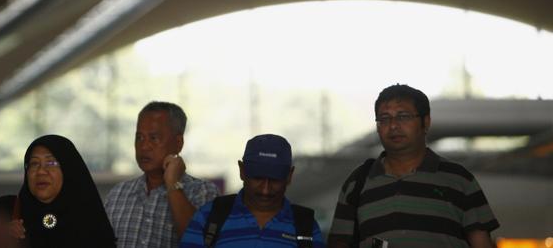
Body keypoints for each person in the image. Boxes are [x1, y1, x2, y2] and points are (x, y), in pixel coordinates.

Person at [327, 84, 500, 248]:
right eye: (384, 119)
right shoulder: (357, 183)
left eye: (403, 117)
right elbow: (339, 243)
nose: (393, 125)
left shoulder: (459, 180)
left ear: (426, 122)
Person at [105, 101, 218, 248]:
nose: (144, 146)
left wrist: (173, 184)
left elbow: (199, 241)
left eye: (154, 138)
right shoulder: (118, 194)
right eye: (139, 137)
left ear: (178, 143)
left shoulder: (202, 192)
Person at [179, 134, 324, 247]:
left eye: (275, 180)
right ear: (242, 171)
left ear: (289, 176)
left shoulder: (306, 226)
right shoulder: (209, 217)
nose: (265, 190)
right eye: (258, 178)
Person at [13, 134, 116, 248]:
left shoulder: (90, 224)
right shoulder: (9, 215)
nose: (41, 171)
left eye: (51, 163)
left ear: (68, 170)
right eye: (34, 163)